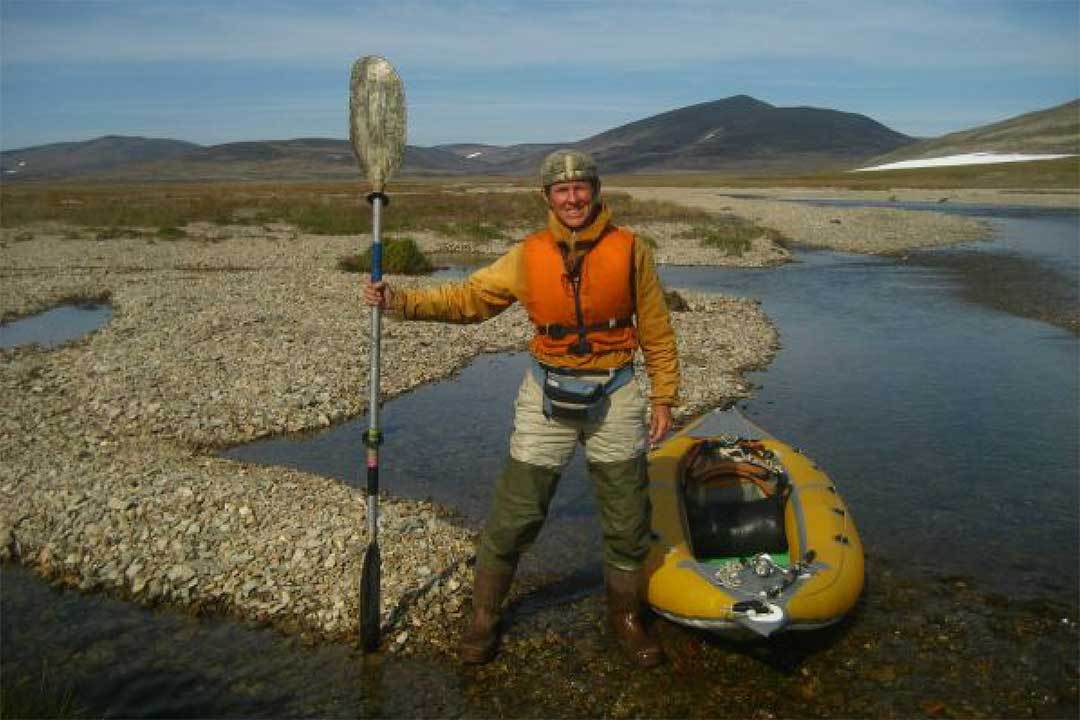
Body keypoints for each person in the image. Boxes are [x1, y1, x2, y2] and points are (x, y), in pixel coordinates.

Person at [362, 149, 679, 667]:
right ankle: (484, 615)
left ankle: (625, 618)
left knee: (627, 518)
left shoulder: (631, 250)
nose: (573, 197)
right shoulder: (527, 255)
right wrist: (401, 301)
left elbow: (657, 328)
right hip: (545, 397)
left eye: (582, 187)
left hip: (616, 394)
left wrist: (664, 394)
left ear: (596, 191)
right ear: (547, 197)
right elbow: (469, 299)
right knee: (516, 513)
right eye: (562, 189)